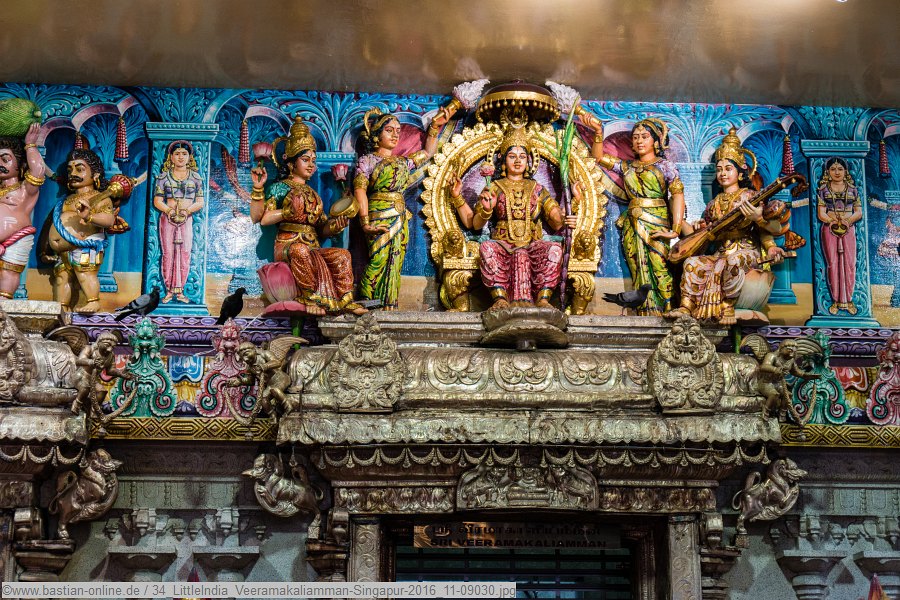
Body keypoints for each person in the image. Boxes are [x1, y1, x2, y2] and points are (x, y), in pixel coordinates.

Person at [448, 119, 579, 309]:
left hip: (533, 244)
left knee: (554, 249)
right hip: (503, 245)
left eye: (522, 156)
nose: (518, 161)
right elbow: (473, 224)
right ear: (503, 160)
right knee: (487, 248)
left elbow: (557, 222)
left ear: (528, 161)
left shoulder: (538, 189)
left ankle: (543, 298)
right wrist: (480, 207)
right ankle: (500, 298)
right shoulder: (493, 187)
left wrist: (574, 203)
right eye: (512, 156)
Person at [250, 116, 366, 316]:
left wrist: (335, 226)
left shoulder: (314, 194)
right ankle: (309, 297)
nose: (311, 165)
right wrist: (285, 212)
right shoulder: (280, 188)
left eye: (313, 161)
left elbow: (322, 228)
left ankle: (345, 299)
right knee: (300, 251)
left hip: (312, 246)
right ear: (291, 163)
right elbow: (263, 218)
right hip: (288, 245)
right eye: (305, 160)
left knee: (342, 255)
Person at [669, 128, 785, 325]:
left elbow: (769, 229)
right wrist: (689, 223)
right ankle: (686, 306)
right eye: (719, 169)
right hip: (720, 253)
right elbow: (702, 236)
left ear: (740, 173)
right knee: (692, 263)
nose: (722, 173)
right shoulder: (713, 204)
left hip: (745, 251)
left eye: (728, 168)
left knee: (732, 261)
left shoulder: (750, 196)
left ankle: (727, 305)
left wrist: (767, 237)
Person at [579, 115, 685, 315]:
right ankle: (645, 309)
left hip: (656, 221)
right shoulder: (626, 166)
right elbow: (598, 157)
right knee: (637, 266)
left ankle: (668, 307)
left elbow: (678, 194)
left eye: (644, 137)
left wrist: (675, 230)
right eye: (635, 137)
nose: (639, 141)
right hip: (632, 223)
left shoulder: (665, 166)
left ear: (656, 141)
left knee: (659, 264)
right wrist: (599, 132)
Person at [353, 104, 455, 309]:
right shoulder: (368, 160)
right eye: (389, 130)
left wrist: (434, 127)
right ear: (377, 134)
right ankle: (366, 299)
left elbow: (428, 152)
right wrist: (365, 223)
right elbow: (360, 190)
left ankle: (388, 303)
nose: (395, 135)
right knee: (379, 258)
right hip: (378, 214)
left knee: (395, 259)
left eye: (398, 131)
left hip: (399, 217)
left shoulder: (403, 162)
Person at [44, 149, 120, 313]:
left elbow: (109, 220)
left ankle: (93, 301)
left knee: (85, 274)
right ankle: (62, 306)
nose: (73, 174)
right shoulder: (67, 200)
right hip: (63, 251)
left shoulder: (101, 197)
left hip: (86, 245)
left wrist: (89, 216)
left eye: (79, 169)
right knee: (62, 278)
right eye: (70, 170)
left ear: (95, 174)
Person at [152, 141, 204, 303]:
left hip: (186, 219)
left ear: (190, 157)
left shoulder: (196, 178)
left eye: (184, 154)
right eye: (177, 154)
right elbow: (157, 201)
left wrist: (187, 211)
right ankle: (169, 290)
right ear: (171, 157)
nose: (181, 157)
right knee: (168, 254)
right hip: (168, 219)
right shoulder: (163, 177)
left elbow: (200, 202)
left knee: (185, 253)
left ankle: (180, 291)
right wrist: (169, 211)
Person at [0, 123, 44, 298]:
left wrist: (30, 145)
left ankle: (3, 302)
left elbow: (38, 170)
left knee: (8, 273)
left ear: (20, 164)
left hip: (16, 238)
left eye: (5, 159)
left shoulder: (25, 189)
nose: (0, 164)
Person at [816, 157, 862, 315]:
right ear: (827, 172)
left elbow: (859, 212)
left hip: (849, 228)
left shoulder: (853, 190)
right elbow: (821, 213)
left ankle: (848, 300)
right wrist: (832, 221)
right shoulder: (823, 190)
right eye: (833, 169)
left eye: (840, 169)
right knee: (833, 263)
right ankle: (836, 300)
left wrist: (847, 221)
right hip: (830, 228)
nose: (837, 172)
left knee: (849, 263)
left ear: (846, 171)